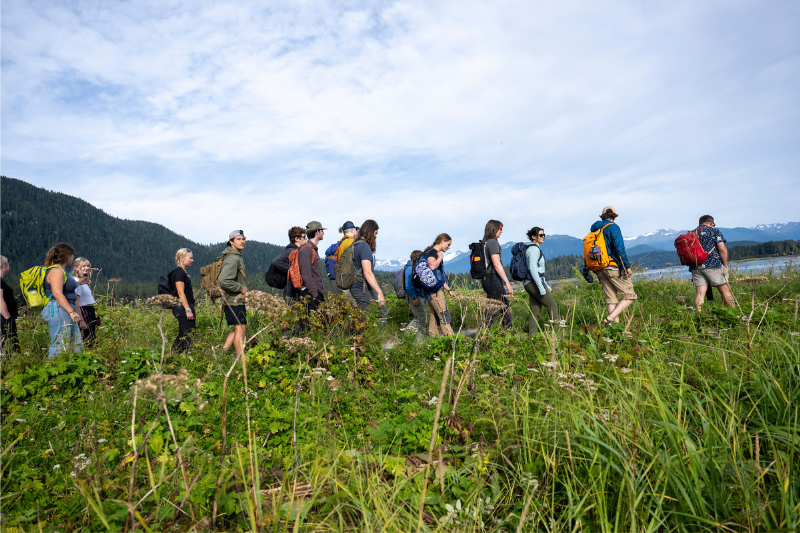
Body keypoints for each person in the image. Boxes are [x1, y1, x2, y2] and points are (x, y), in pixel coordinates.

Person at [590, 206, 637, 324]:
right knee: (630, 296)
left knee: (611, 300)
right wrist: (627, 266)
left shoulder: (595, 229)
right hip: (612, 266)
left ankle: (616, 331)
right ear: (614, 216)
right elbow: (619, 248)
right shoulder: (613, 227)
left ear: (603, 216)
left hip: (599, 267)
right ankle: (609, 319)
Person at [42, 243, 83, 358]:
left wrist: (78, 283)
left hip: (64, 309)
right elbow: (57, 293)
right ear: (67, 255)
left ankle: (74, 369)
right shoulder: (56, 271)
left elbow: (63, 287)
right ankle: (54, 371)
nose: (73, 257)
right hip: (59, 309)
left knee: (75, 343)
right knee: (60, 344)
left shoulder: (62, 271)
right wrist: (71, 311)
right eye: (72, 255)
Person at [690, 215, 734, 309]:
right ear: (711, 223)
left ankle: (699, 317)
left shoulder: (692, 233)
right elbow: (722, 249)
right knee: (725, 290)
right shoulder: (714, 230)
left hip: (695, 266)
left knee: (700, 294)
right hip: (713, 264)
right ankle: (733, 314)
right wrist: (725, 265)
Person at [522, 227, 561, 335]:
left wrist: (546, 285)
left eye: (544, 235)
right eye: (540, 235)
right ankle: (558, 334)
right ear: (533, 237)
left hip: (530, 282)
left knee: (535, 310)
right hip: (533, 282)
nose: (543, 237)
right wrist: (541, 287)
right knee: (552, 305)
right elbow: (533, 269)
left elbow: (538, 271)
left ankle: (532, 336)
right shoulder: (534, 249)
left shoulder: (532, 248)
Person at [351, 219, 388, 324]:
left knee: (365, 318)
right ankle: (375, 340)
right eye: (375, 233)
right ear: (371, 232)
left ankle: (370, 338)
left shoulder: (355, 245)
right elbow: (368, 272)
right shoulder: (364, 247)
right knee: (380, 315)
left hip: (355, 286)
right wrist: (379, 292)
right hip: (362, 288)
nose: (376, 236)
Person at [421, 234, 457, 337]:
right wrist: (440, 258)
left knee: (434, 317)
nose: (449, 247)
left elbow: (438, 276)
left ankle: (433, 344)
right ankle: (452, 342)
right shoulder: (433, 252)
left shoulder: (429, 252)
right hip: (435, 292)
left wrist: (449, 290)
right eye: (448, 244)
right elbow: (432, 266)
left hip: (431, 291)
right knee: (444, 316)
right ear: (442, 241)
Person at [480, 220, 514, 331]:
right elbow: (497, 263)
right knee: (492, 311)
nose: (501, 232)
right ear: (494, 229)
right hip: (493, 278)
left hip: (486, 279)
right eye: (500, 229)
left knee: (505, 307)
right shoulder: (492, 242)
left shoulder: (484, 243)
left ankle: (509, 333)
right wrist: (507, 282)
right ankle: (483, 336)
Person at [219, 230, 248, 356]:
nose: (242, 241)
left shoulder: (235, 257)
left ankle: (223, 352)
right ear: (231, 242)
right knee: (240, 330)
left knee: (237, 328)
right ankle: (240, 360)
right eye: (238, 239)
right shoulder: (233, 259)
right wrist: (240, 288)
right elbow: (223, 280)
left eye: (243, 239)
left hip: (234, 301)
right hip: (234, 301)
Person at [170, 248, 196, 352]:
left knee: (182, 334)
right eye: (190, 258)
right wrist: (188, 309)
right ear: (182, 259)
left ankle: (172, 356)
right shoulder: (179, 273)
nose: (192, 260)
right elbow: (181, 292)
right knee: (188, 334)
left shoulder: (181, 272)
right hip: (183, 307)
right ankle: (187, 357)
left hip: (183, 307)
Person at [298, 221, 327, 313]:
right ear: (317, 232)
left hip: (314, 294)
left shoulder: (311, 248)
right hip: (310, 295)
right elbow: (305, 274)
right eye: (322, 230)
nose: (323, 233)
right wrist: (314, 293)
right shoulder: (306, 249)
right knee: (311, 324)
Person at [72, 257, 99, 348]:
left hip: (90, 310)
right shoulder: (76, 282)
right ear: (76, 268)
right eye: (83, 266)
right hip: (84, 311)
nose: (87, 268)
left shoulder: (84, 281)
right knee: (87, 337)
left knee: (92, 335)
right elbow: (76, 302)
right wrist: (82, 320)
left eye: (88, 266)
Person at [333, 221, 358, 305]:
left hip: (342, 278)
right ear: (351, 230)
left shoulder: (341, 241)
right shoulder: (350, 242)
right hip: (348, 280)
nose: (357, 232)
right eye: (355, 230)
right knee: (354, 307)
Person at [404, 250, 428, 335]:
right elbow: (408, 285)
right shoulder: (410, 268)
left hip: (418, 295)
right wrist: (414, 297)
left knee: (422, 319)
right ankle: (406, 335)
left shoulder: (413, 267)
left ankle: (420, 341)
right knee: (420, 318)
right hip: (415, 296)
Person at [282, 227, 306, 305]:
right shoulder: (291, 251)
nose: (306, 239)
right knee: (295, 315)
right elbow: (276, 262)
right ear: (297, 239)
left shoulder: (297, 250)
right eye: (304, 237)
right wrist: (292, 270)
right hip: (291, 292)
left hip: (293, 291)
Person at [1, 255, 20, 354]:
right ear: (4, 266)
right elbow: (0, 300)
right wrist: (8, 318)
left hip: (6, 317)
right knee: (10, 341)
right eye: (8, 264)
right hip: (4, 318)